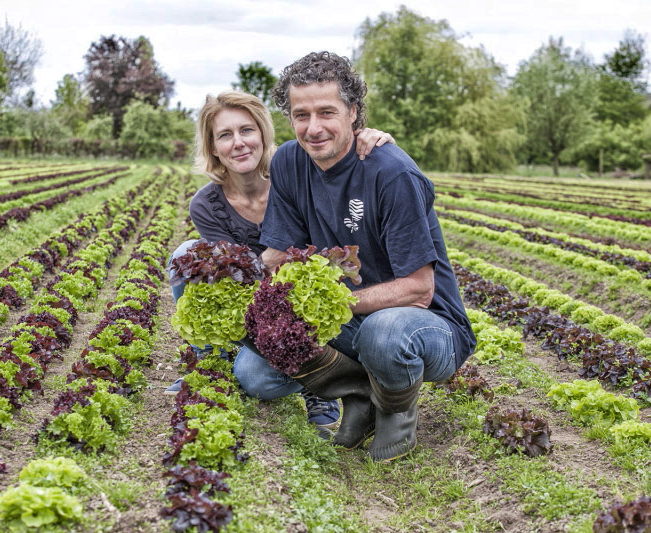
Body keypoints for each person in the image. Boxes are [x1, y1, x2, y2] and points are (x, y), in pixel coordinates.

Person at [233, 51, 477, 462]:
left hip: (424, 325)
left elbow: (419, 289)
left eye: (327, 112)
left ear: (354, 113)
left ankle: (395, 411)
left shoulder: (390, 172)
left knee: (381, 334)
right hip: (348, 319)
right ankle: (358, 392)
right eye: (301, 114)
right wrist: (236, 278)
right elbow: (276, 255)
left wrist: (328, 302)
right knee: (255, 365)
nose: (313, 128)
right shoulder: (291, 162)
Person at [166, 90, 395, 437]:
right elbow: (236, 283)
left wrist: (370, 138)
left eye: (247, 130)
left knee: (259, 374)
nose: (239, 143)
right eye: (225, 135)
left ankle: (322, 385)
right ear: (213, 147)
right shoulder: (207, 205)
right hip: (258, 299)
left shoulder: (293, 172)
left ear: (263, 134)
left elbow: (337, 148)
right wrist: (267, 264)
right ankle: (213, 360)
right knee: (186, 254)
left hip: (305, 296)